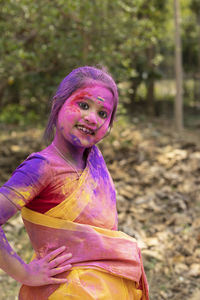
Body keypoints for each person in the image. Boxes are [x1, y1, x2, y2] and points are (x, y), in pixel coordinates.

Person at [0, 66, 149, 300]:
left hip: (109, 287)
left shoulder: (94, 158)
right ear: (57, 104)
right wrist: (24, 273)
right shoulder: (41, 167)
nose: (92, 118)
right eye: (83, 105)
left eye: (103, 113)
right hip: (66, 290)